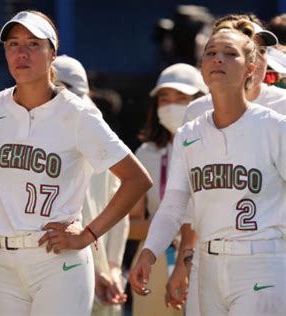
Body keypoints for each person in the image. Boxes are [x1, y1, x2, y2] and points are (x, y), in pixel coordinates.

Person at [0, 10, 152, 316]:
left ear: (52, 53)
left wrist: (88, 234)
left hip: (57, 260)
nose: (21, 52)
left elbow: (137, 180)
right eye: (13, 44)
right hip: (4, 259)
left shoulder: (77, 113)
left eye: (33, 43)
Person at [130, 24, 286, 316]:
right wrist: (149, 254)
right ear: (201, 68)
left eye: (230, 54)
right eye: (211, 53)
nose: (218, 59)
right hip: (207, 263)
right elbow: (174, 205)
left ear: (250, 69)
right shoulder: (189, 133)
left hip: (263, 260)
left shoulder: (275, 127)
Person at [127, 63, 207, 316]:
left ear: (200, 101)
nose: (172, 105)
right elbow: (131, 225)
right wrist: (166, 229)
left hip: (206, 256)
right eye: (164, 98)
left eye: (181, 98)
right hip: (156, 258)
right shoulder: (146, 153)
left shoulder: (215, 147)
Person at [53, 54, 129, 316]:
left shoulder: (92, 133)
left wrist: (108, 269)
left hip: (90, 278)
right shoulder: (97, 130)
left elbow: (116, 207)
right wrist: (110, 268)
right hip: (87, 276)